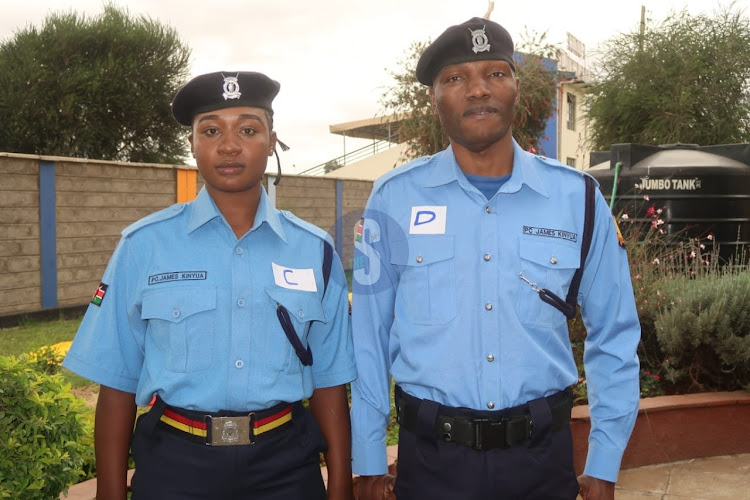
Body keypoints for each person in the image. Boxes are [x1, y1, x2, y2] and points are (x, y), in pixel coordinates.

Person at [350, 18, 641, 500]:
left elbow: (614, 334)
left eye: (495, 74)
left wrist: (604, 463)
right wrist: (368, 459)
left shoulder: (578, 199)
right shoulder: (392, 199)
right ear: (434, 98)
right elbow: (368, 340)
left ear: (515, 88)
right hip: (430, 466)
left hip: (541, 463)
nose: (478, 89)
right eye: (456, 78)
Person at [63, 71, 356, 500]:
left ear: (272, 141)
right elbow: (117, 383)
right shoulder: (144, 245)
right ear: (193, 144)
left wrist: (341, 488)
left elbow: (330, 380)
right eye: (212, 130)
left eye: (249, 129)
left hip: (286, 468)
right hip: (175, 466)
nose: (230, 145)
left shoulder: (314, 249)